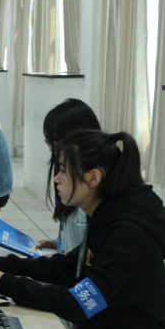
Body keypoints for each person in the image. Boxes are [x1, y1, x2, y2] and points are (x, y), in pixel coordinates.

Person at [0, 130, 165, 329]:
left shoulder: (128, 236)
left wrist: (4, 282)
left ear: (93, 178)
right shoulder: (108, 215)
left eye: (64, 171)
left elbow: (78, 304)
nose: (56, 178)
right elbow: (67, 266)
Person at [36, 99, 101, 254]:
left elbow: (85, 259)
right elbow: (76, 243)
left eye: (54, 141)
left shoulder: (89, 194)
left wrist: (60, 261)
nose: (51, 149)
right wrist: (56, 244)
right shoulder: (75, 184)